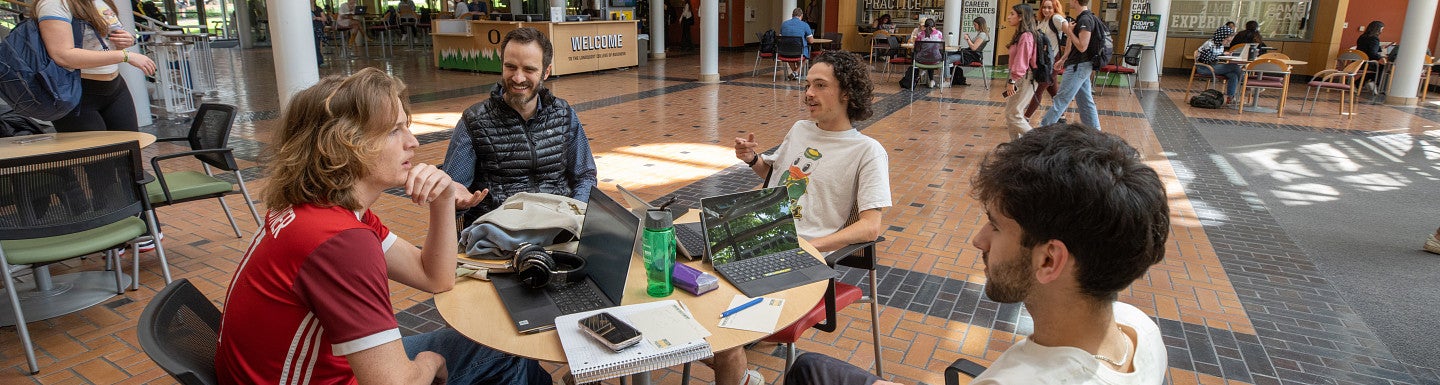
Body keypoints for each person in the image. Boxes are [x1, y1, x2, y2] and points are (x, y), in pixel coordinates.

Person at [214, 68, 544, 385]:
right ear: (343, 144)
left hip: (310, 369)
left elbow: (434, 277)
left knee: (506, 350)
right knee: (508, 351)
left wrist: (443, 199)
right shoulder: (341, 243)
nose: (412, 142)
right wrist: (433, 362)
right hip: (333, 378)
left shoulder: (320, 207)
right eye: (392, 131)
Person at [781, 123, 1170, 385]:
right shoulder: (1139, 329)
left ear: (1049, 260)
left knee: (808, 370)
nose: (979, 240)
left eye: (996, 226)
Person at [726, 50, 891, 385]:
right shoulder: (801, 129)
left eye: (819, 85)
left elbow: (871, 227)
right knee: (693, 282)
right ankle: (740, 374)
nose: (808, 94)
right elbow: (777, 180)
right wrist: (753, 159)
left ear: (846, 92)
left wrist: (811, 245)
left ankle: (737, 370)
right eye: (807, 85)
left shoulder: (867, 152)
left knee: (720, 325)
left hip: (805, 257)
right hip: (763, 237)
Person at [442, 27, 598, 225]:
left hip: (558, 228)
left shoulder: (563, 113)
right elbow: (451, 194)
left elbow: (585, 175)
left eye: (529, 69)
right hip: (498, 235)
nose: (518, 78)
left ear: (546, 72)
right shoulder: (474, 121)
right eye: (511, 67)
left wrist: (575, 216)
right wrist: (457, 203)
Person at [34, 0, 157, 133]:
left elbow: (100, 41)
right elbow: (62, 55)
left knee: (129, 148)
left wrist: (126, 40)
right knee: (96, 152)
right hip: (76, 92)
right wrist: (126, 56)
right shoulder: (54, 3)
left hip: (114, 87)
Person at [1041, 0, 1102, 130]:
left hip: (1078, 66)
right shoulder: (1082, 18)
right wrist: (1063, 59)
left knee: (1061, 99)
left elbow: (1082, 46)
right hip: (1079, 65)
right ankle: (1095, 133)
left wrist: (1069, 31)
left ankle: (1041, 130)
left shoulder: (1085, 20)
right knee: (1085, 101)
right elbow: (1076, 44)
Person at [1001, 4, 1038, 139]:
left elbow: (1022, 61)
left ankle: (1037, 142)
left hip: (1024, 78)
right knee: (1011, 114)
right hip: (1019, 77)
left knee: (1014, 114)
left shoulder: (1026, 36)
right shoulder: (1021, 35)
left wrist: (1012, 80)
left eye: (1012, 14)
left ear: (1021, 17)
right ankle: (1015, 147)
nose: (1009, 17)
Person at [1026, 0, 1065, 118]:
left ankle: (1026, 118)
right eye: (1044, 7)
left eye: (1050, 8)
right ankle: (1062, 116)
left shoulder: (1056, 19)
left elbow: (1069, 30)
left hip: (1054, 60)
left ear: (1055, 9)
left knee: (1039, 87)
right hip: (1045, 61)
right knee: (1052, 90)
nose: (1046, 10)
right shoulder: (1043, 21)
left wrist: (1063, 58)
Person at [1194, 26, 1243, 104]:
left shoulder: (1220, 45)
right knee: (1235, 67)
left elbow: (1216, 57)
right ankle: (1246, 83)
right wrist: (1222, 54)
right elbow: (1206, 60)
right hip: (1204, 67)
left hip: (1214, 66)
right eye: (1227, 40)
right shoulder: (1209, 44)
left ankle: (1230, 98)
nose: (1228, 43)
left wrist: (1223, 55)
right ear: (1221, 37)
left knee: (1233, 75)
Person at [903, 17, 945, 89]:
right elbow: (939, 46)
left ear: (924, 26)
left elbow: (917, 47)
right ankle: (930, 80)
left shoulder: (920, 34)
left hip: (921, 60)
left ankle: (918, 75)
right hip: (936, 60)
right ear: (934, 26)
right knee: (931, 56)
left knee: (923, 56)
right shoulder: (939, 33)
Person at [946, 17, 989, 86]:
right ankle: (947, 78)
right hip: (970, 54)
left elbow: (974, 48)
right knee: (947, 54)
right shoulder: (981, 34)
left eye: (975, 25)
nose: (974, 27)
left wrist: (968, 39)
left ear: (980, 25)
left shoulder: (982, 34)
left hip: (971, 56)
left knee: (947, 59)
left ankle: (947, 81)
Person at [779, 7, 815, 80]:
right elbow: (811, 41)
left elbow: (780, 38)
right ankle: (795, 72)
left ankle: (795, 73)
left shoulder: (784, 24)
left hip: (785, 52)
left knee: (789, 56)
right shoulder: (805, 25)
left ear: (792, 15)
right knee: (806, 57)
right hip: (799, 52)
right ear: (801, 16)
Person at [1356, 20, 1387, 93]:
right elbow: (1372, 53)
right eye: (1382, 29)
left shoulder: (1362, 36)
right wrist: (1381, 58)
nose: (1382, 31)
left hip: (1357, 61)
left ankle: (1358, 83)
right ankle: (1375, 83)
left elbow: (1365, 48)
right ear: (1378, 29)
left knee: (1376, 69)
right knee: (1383, 66)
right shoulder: (1375, 38)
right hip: (1367, 62)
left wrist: (1379, 47)